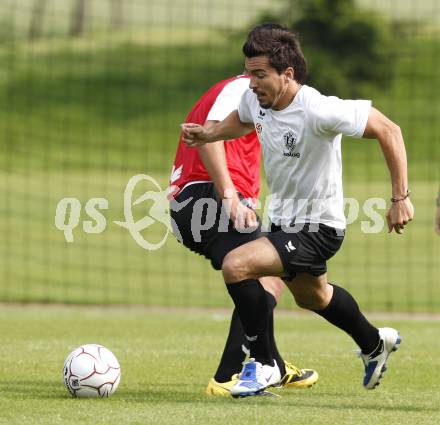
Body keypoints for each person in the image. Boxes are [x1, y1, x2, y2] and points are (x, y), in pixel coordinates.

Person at [182, 24, 414, 397]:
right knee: (313, 297)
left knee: (237, 265)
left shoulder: (318, 109)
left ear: (287, 75)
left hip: (319, 228)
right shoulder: (255, 99)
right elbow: (240, 120)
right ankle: (374, 343)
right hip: (284, 222)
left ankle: (264, 364)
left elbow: (390, 130)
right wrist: (209, 135)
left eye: (259, 75)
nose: (251, 82)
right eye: (249, 72)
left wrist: (400, 198)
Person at [169, 75, 318, 396]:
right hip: (206, 197)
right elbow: (210, 134)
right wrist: (230, 197)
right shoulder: (243, 87)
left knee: (270, 275)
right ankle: (229, 375)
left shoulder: (258, 97)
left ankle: (271, 363)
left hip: (197, 199)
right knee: (259, 270)